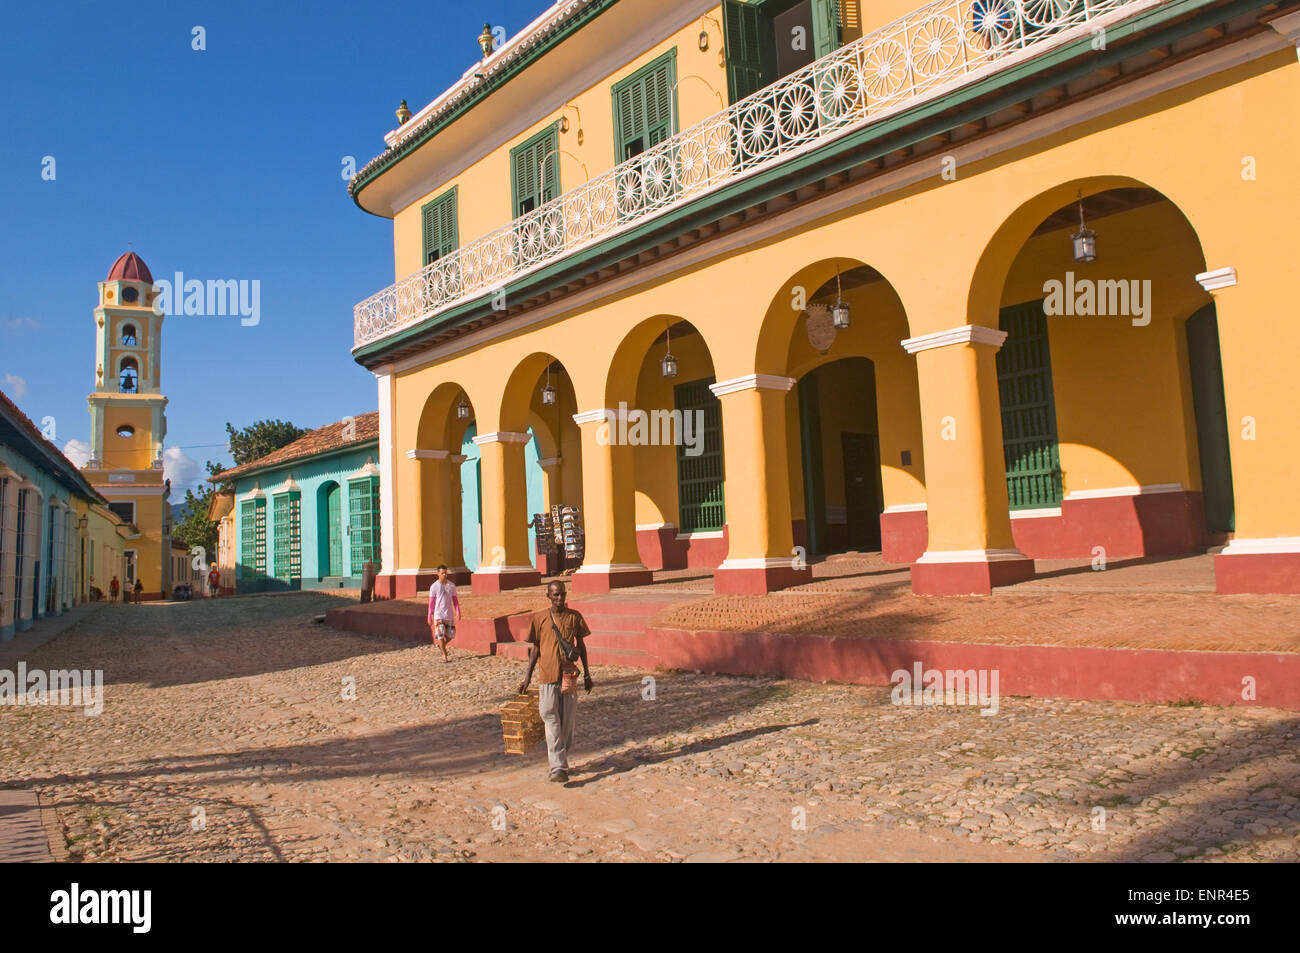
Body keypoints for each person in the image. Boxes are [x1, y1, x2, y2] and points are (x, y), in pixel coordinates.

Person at [517, 580, 593, 783]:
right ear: (548, 596)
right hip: (547, 675)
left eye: (562, 595)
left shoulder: (574, 617)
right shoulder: (540, 618)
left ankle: (561, 758)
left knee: (566, 722)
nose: (559, 598)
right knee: (549, 715)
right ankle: (558, 766)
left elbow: (582, 647)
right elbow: (535, 650)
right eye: (555, 595)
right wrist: (527, 678)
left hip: (568, 676)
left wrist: (587, 674)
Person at [426, 565, 461, 663]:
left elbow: (455, 601)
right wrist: (430, 616)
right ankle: (444, 655)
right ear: (438, 574)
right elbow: (431, 603)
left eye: (446, 573)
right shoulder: (434, 586)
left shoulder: (451, 586)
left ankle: (441, 646)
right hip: (438, 615)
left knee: (450, 635)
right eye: (442, 573)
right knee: (440, 635)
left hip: (448, 614)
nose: (445, 575)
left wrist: (458, 612)